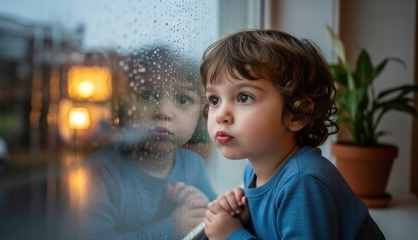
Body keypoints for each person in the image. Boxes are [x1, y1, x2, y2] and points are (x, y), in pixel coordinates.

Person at [201, 30, 385, 239]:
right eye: (214, 99)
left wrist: (231, 235)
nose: (221, 115)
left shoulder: (303, 183)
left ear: (297, 114)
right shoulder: (252, 171)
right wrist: (244, 218)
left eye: (244, 97)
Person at [77, 45, 217, 240]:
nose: (164, 112)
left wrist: (202, 209)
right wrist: (173, 227)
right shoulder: (100, 174)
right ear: (123, 106)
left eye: (183, 99)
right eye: (146, 96)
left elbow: (215, 222)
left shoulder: (194, 165)